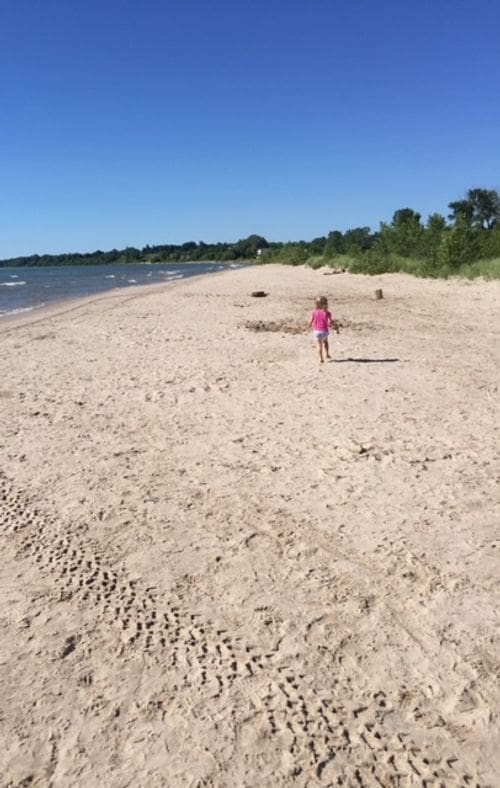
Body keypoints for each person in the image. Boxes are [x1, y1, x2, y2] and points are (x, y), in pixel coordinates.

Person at [308, 296, 339, 363]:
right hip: (324, 331)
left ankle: (321, 359)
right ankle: (327, 354)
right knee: (325, 342)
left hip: (316, 331)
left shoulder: (314, 312)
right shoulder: (327, 313)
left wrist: (308, 325)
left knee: (319, 345)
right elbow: (330, 322)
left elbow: (311, 321)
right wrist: (335, 327)